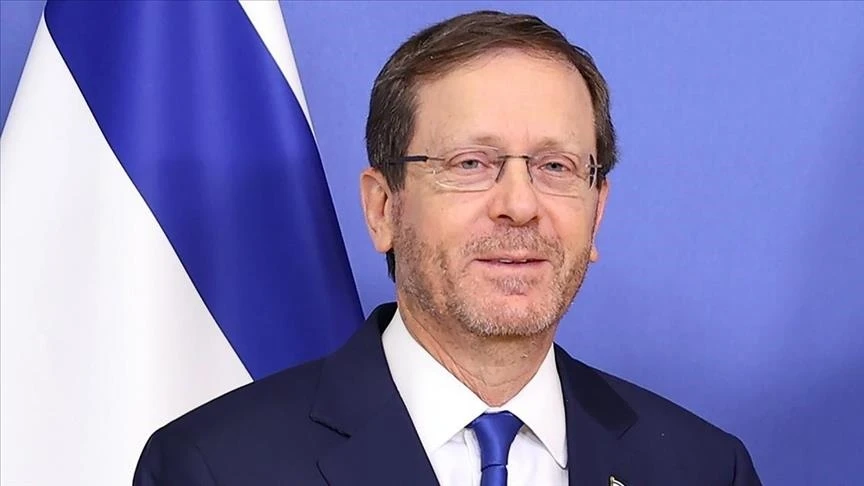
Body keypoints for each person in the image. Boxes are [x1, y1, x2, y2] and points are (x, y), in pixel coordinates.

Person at [133, 10, 761, 486]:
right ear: (383, 208)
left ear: (596, 212)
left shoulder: (704, 468)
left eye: (556, 166)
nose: (520, 204)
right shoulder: (213, 466)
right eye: (471, 163)